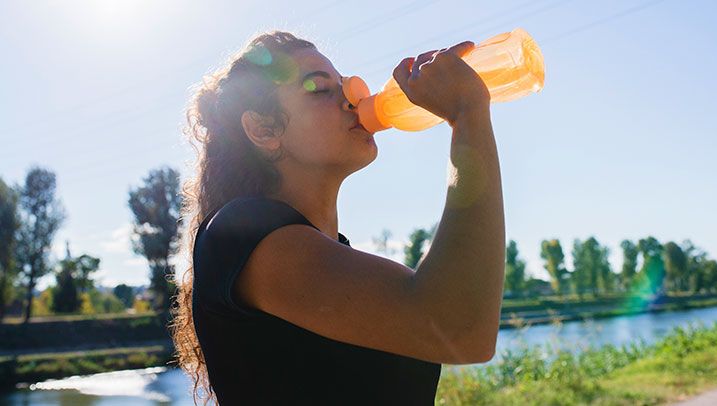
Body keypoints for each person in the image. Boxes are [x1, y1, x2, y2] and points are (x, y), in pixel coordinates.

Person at [170, 30, 505, 405]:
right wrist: (468, 115)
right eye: (319, 88)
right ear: (263, 129)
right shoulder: (241, 234)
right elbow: (458, 327)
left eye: (345, 85)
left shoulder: (332, 255)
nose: (352, 99)